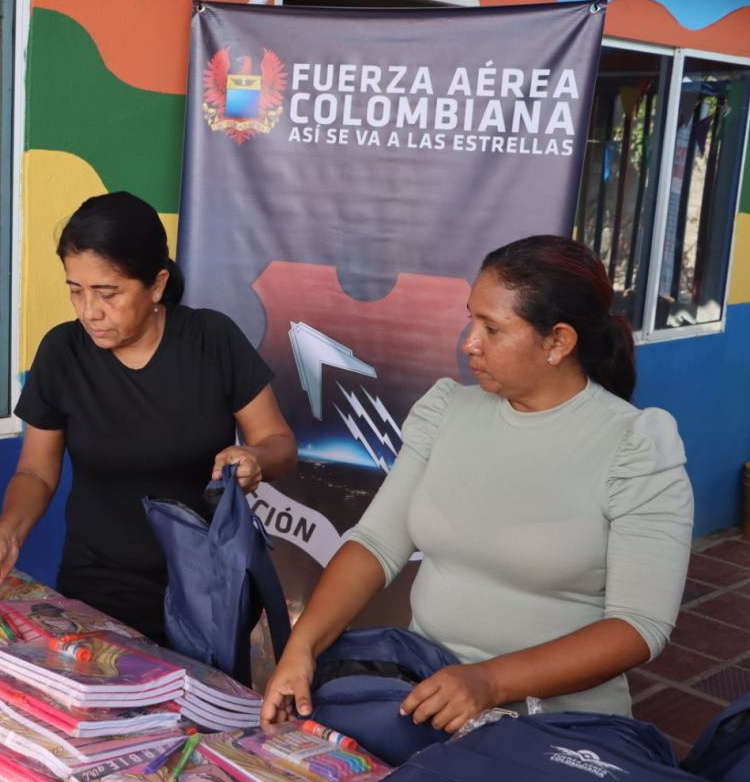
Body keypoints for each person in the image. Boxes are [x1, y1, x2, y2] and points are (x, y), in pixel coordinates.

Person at [262, 235, 694, 732]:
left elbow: (639, 626)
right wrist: (303, 646)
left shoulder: (634, 445)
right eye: (471, 319)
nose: (469, 342)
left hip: (555, 726)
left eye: (492, 328)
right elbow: (376, 543)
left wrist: (490, 681)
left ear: (558, 341)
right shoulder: (448, 409)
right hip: (424, 693)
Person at [0, 191, 297, 641]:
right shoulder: (63, 353)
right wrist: (5, 537)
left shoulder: (212, 340)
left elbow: (279, 444)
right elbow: (36, 471)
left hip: (208, 585)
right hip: (97, 586)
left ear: (156, 284)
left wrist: (255, 458)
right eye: (76, 290)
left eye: (107, 292)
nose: (89, 311)